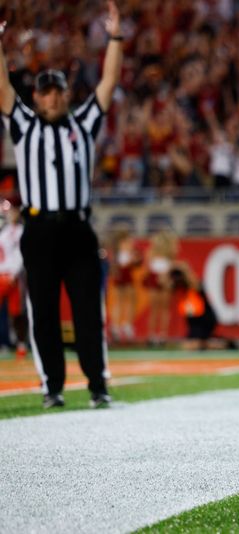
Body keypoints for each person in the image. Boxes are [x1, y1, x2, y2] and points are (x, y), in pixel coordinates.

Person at [0, 1, 123, 408]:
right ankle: (51, 385)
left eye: (56, 90)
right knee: (44, 312)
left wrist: (116, 38)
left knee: (89, 309)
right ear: (36, 96)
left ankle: (97, 384)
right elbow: (2, 89)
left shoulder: (83, 122)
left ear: (66, 94)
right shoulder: (23, 123)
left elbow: (107, 82)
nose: (51, 97)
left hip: (76, 227)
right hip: (38, 229)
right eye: (45, 91)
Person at [0, 194, 27, 359]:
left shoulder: (21, 231)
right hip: (1, 274)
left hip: (13, 276)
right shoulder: (3, 231)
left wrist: (15, 272)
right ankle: (4, 341)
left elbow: (21, 254)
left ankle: (21, 343)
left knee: (17, 311)